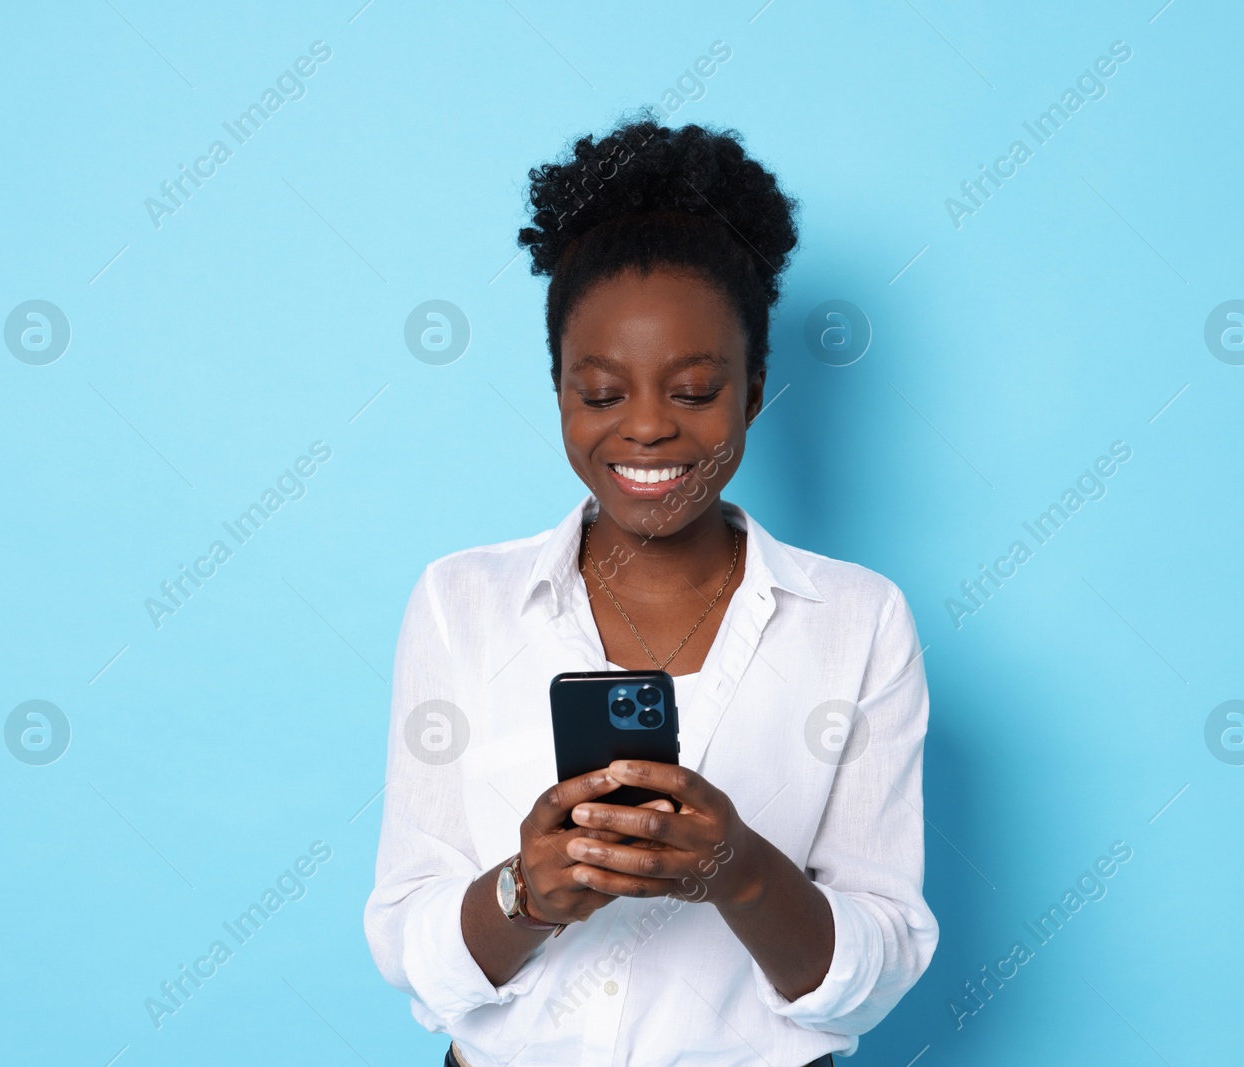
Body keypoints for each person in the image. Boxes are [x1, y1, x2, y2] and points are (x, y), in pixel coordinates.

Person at [365, 113, 938, 1066]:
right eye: (600, 393)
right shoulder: (459, 604)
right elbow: (409, 941)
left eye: (694, 389)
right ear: (557, 391)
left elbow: (879, 968)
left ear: (755, 389)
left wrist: (740, 871)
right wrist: (527, 893)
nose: (647, 430)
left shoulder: (859, 620)